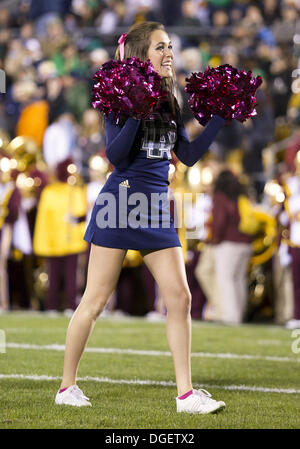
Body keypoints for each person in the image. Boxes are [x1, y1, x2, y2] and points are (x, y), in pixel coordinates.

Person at [55, 21, 227, 414]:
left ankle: (185, 395)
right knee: (95, 300)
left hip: (155, 206)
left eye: (170, 45)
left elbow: (186, 155)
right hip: (120, 202)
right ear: (140, 54)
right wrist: (136, 109)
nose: (169, 52)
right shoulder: (119, 95)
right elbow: (115, 157)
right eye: (159, 46)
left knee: (179, 297)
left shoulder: (172, 98)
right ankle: (67, 386)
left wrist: (218, 117)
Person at [211, 170, 253, 324]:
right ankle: (239, 314)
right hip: (246, 243)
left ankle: (231, 317)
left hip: (229, 243)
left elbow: (220, 221)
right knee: (239, 279)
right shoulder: (241, 196)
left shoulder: (221, 196)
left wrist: (215, 239)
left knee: (226, 279)